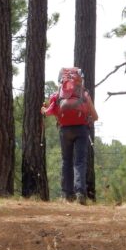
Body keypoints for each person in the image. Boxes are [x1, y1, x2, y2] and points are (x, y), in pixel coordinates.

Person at [41, 69, 98, 205]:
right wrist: (88, 118)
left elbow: (48, 112)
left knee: (66, 161)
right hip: (81, 130)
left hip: (64, 130)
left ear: (62, 80)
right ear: (79, 80)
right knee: (79, 162)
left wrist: (43, 109)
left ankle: (67, 194)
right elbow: (95, 116)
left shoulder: (57, 95)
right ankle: (80, 194)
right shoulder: (83, 94)